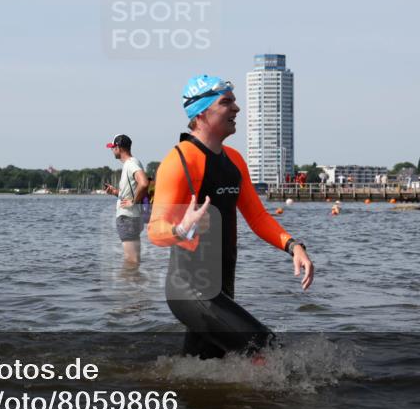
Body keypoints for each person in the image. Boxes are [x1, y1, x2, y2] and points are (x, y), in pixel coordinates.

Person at [148, 75, 314, 359]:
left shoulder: (234, 160)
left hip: (223, 288)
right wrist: (181, 227)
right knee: (267, 350)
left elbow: (258, 217)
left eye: (234, 101)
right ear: (200, 113)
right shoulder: (180, 161)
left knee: (204, 372)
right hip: (190, 289)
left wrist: (293, 246)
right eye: (226, 102)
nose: (236, 108)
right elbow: (155, 230)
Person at [103, 134, 149, 266]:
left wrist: (133, 201)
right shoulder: (134, 162)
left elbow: (144, 183)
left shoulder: (130, 164)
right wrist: (115, 192)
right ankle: (134, 285)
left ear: (118, 147)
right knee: (134, 261)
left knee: (131, 262)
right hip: (133, 218)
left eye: (112, 147)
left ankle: (127, 286)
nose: (112, 150)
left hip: (127, 218)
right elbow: (134, 189)